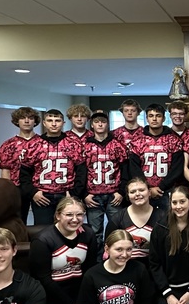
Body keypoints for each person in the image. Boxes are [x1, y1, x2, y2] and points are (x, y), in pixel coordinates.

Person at [28, 196, 98, 304]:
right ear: (58, 215)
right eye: (69, 215)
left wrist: (82, 302)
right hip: (52, 297)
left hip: (79, 293)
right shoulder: (42, 240)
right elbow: (43, 279)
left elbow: (90, 271)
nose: (75, 219)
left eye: (79, 215)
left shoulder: (88, 234)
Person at [20, 108, 84, 226]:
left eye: (57, 121)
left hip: (66, 194)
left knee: (68, 227)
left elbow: (81, 171)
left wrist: (74, 193)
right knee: (43, 230)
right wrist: (33, 192)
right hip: (42, 196)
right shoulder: (33, 145)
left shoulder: (74, 144)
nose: (54, 124)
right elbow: (24, 173)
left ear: (63, 123)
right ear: (44, 123)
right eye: (50, 120)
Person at [80, 110, 128, 254]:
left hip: (114, 196)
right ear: (92, 125)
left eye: (103, 121)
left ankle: (116, 256)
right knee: (95, 232)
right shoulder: (85, 146)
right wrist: (84, 194)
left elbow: (125, 170)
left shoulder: (117, 145)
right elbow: (81, 172)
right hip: (93, 196)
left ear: (108, 124)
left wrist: (121, 191)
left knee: (117, 230)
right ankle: (97, 260)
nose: (100, 124)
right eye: (96, 122)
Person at [130, 103, 184, 210]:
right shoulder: (137, 141)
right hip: (144, 190)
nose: (154, 119)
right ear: (147, 118)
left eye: (158, 116)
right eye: (151, 116)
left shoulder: (174, 140)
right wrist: (148, 187)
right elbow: (134, 168)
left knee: (169, 218)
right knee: (145, 218)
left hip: (167, 189)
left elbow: (177, 168)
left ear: (164, 118)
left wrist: (162, 187)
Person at [0, 106, 40, 222]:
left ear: (35, 121)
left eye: (30, 118)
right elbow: (5, 170)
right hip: (17, 188)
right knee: (18, 221)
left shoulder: (42, 142)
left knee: (42, 222)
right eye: (22, 118)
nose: (26, 121)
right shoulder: (8, 145)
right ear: (17, 121)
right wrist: (7, 192)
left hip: (39, 188)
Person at [105, 175, 160, 258]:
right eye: (132, 192)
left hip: (154, 265)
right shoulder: (117, 219)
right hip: (124, 264)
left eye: (141, 190)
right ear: (128, 196)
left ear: (149, 192)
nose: (137, 194)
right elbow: (109, 248)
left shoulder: (162, 217)